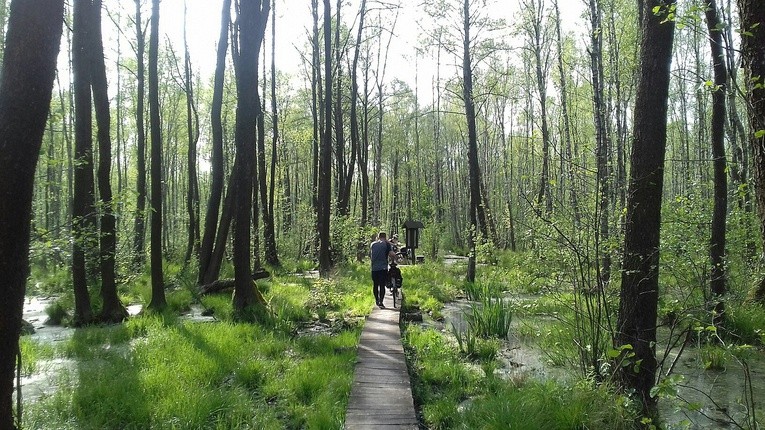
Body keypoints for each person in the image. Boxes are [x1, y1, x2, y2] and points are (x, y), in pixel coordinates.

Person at [370, 231, 395, 308]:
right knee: (382, 285)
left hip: (374, 268)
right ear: (385, 237)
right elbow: (391, 254)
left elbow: (370, 255)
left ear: (378, 236)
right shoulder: (387, 244)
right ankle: (381, 302)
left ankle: (376, 300)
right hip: (383, 268)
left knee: (375, 285)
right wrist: (395, 257)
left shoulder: (373, 244)